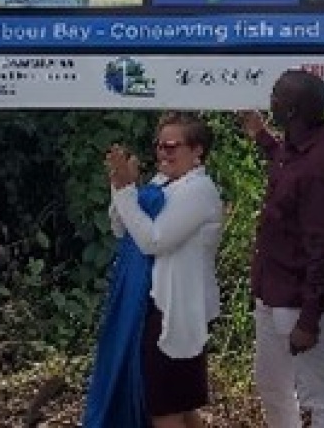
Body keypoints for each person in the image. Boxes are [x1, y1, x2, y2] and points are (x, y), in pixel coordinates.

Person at [84, 111, 224, 428]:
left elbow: (153, 240)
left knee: (165, 408)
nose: (163, 153)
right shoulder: (163, 184)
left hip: (176, 310)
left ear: (197, 150)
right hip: (153, 306)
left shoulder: (198, 191)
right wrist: (120, 186)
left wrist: (125, 193)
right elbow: (123, 227)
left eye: (172, 146)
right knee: (179, 406)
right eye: (159, 146)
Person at [239, 69, 324, 428]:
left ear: (291, 110)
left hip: (300, 299)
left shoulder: (323, 165)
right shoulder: (296, 145)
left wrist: (309, 318)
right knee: (272, 385)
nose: (269, 102)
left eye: (276, 97)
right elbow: (286, 167)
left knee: (318, 398)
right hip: (272, 289)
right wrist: (262, 137)